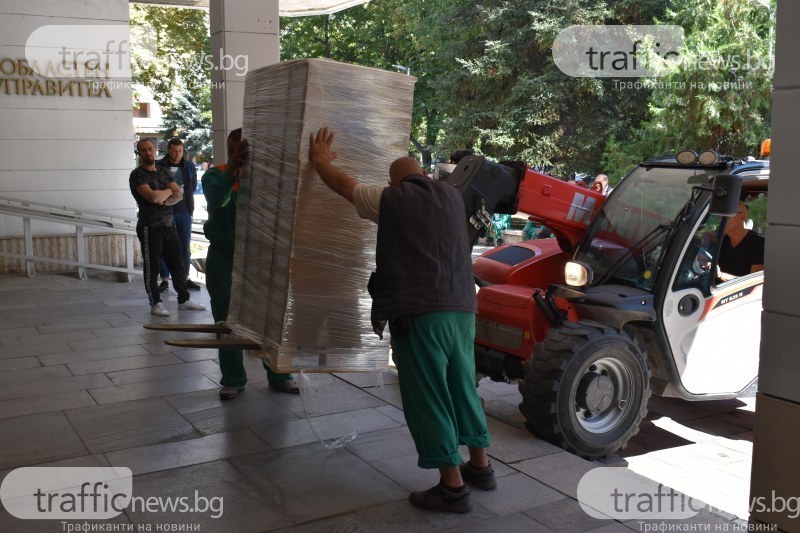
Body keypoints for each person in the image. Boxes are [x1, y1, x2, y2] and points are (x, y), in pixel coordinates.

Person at [309, 127, 493, 514]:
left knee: (427, 394)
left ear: (395, 180)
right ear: (424, 175)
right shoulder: (452, 198)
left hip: (421, 312)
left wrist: (321, 163)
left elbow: (345, 186)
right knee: (462, 385)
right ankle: (480, 465)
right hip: (462, 309)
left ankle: (452, 487)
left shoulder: (392, 198)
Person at [202, 128, 298, 399]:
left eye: (243, 152)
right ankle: (233, 378)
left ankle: (279, 373)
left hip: (262, 258)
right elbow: (215, 199)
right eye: (233, 151)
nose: (238, 156)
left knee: (272, 318)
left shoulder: (268, 182)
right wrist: (233, 168)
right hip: (224, 257)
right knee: (226, 320)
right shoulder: (217, 174)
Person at [129, 139, 206, 317]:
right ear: (139, 153)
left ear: (155, 150)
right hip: (150, 227)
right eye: (143, 150)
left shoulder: (163, 171)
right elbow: (154, 197)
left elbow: (179, 194)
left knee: (177, 263)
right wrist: (168, 193)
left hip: (169, 225)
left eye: (150, 149)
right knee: (153, 266)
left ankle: (184, 299)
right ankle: (155, 302)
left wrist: (163, 195)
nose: (148, 152)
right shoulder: (137, 175)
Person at [156, 138, 201, 292]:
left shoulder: (189, 166)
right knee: (163, 246)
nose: (177, 154)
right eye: (174, 151)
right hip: (164, 212)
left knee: (185, 247)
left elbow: (192, 186)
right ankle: (165, 279)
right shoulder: (159, 166)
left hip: (184, 211)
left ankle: (184, 277)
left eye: (180, 151)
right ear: (168, 150)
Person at [718, 201, 765, 281]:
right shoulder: (722, 241)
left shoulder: (759, 244)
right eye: (719, 216)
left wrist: (720, 275)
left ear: (742, 217)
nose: (720, 220)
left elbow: (754, 282)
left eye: (726, 216)